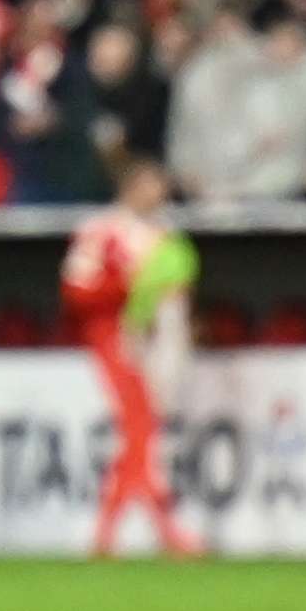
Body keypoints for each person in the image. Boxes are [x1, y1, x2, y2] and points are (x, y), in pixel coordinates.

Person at [61, 159, 200, 557]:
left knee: (142, 429)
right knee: (140, 426)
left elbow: (175, 287)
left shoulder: (164, 236)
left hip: (153, 338)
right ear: (132, 186)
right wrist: (122, 289)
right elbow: (76, 288)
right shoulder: (101, 230)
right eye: (152, 185)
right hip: (114, 336)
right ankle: (159, 532)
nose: (159, 194)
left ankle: (117, 533)